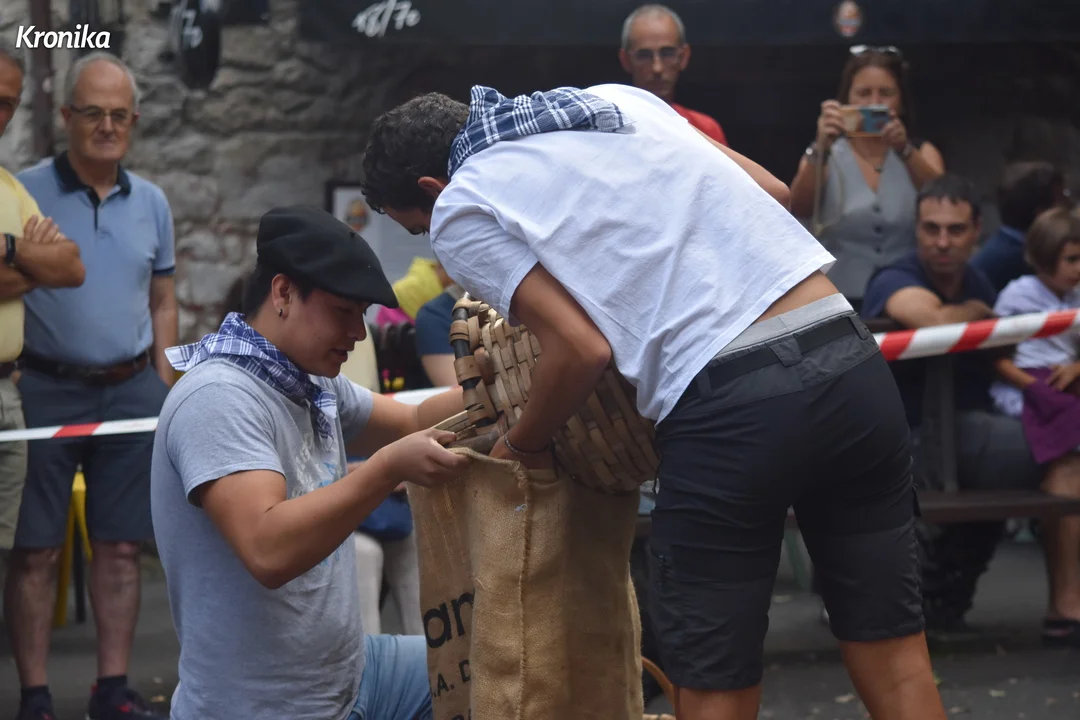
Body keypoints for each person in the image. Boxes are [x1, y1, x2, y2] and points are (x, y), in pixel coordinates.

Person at [360, 84, 947, 719]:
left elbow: (579, 349)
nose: (431, 236)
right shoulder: (615, 100)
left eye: (418, 225)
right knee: (894, 653)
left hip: (731, 405)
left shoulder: (461, 204)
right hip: (850, 360)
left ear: (431, 188)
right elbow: (772, 193)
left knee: (713, 680)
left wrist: (519, 445)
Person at [151, 205, 468, 720]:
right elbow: (268, 550)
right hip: (265, 707)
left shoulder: (307, 379)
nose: (359, 333)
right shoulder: (218, 397)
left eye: (362, 314)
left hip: (354, 673)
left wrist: (501, 379)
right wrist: (386, 469)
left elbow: (412, 420)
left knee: (498, 664)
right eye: (344, 311)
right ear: (282, 293)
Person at [7, 52, 177, 720]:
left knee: (121, 547)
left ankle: (112, 689)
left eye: (119, 115)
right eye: (92, 114)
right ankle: (35, 696)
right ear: (66, 117)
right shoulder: (24, 192)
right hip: (44, 388)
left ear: (133, 121)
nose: (106, 127)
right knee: (35, 551)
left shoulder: (153, 201)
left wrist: (163, 383)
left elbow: (163, 298)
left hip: (131, 391)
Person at [860, 174, 1076, 639]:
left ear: (977, 230)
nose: (942, 242)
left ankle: (961, 600)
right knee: (1068, 451)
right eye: (931, 228)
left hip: (974, 429)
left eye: (955, 230)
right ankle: (1065, 609)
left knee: (1059, 451)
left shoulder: (976, 278)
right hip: (914, 439)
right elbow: (935, 321)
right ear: (916, 229)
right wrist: (979, 313)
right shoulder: (896, 276)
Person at [0, 37, 85, 621]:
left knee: (3, 550)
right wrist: (33, 263)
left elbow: (71, 267)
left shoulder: (8, 188)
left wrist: (10, 250)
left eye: (9, 102)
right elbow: (49, 269)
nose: (1, 112)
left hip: (7, 391)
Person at [789, 45, 945, 308]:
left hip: (910, 295)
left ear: (901, 101)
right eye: (863, 93)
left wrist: (905, 151)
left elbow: (946, 205)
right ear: (846, 101)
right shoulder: (823, 154)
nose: (874, 102)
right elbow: (798, 208)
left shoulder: (922, 152)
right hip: (838, 299)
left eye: (886, 93)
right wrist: (820, 148)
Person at [988, 206, 1080, 645]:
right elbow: (997, 354)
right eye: (1071, 259)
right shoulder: (1018, 295)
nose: (1078, 268)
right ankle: (1067, 601)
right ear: (1044, 258)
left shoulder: (1077, 296)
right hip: (1035, 389)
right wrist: (1036, 388)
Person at [619, 4, 728, 146]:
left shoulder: (707, 130)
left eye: (667, 54)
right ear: (626, 60)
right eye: (644, 55)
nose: (657, 68)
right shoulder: (607, 130)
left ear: (683, 57)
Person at [971, 161, 1071, 292]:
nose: (1068, 204)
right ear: (1042, 214)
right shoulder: (1026, 260)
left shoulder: (1000, 248)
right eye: (1062, 197)